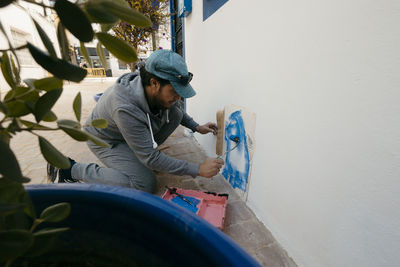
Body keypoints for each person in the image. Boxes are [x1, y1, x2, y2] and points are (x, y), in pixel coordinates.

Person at [47, 50, 224, 193]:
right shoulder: (125, 107)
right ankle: (70, 169)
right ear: (154, 83)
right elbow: (150, 157)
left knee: (174, 112)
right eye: (174, 91)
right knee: (145, 184)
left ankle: (136, 154)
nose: (178, 97)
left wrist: (196, 127)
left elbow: (176, 110)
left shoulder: (156, 93)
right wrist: (197, 168)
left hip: (127, 133)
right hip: (105, 140)